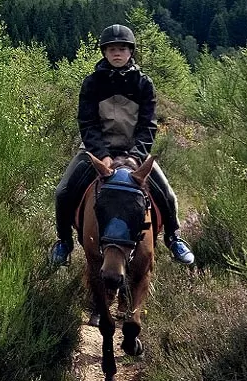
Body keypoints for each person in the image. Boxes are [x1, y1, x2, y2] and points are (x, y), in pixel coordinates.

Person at [50, 24, 195, 267]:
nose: (117, 53)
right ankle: (64, 242)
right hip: (95, 153)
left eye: (122, 49)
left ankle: (173, 237)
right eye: (112, 49)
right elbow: (87, 122)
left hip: (133, 153)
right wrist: (102, 155)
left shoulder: (143, 84)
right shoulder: (92, 83)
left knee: (168, 194)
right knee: (63, 192)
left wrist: (136, 156)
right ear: (105, 53)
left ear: (131, 52)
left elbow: (149, 125)